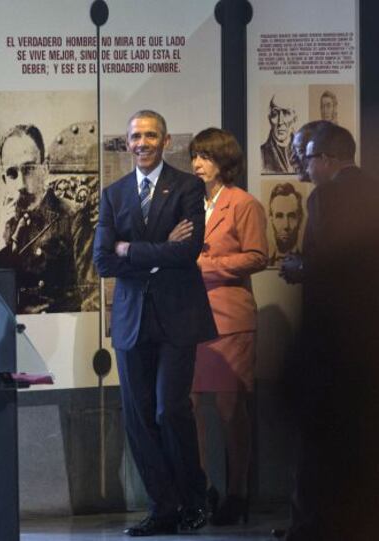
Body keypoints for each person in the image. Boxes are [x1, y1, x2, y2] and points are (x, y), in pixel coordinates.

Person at [93, 110, 217, 536]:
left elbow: (188, 252)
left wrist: (133, 250)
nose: (141, 143)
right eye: (134, 136)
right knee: (139, 417)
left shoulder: (187, 186)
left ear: (165, 141)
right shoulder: (113, 194)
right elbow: (103, 260)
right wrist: (156, 248)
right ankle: (162, 507)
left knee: (171, 409)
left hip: (178, 318)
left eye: (150, 135)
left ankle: (194, 499)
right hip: (131, 322)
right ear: (127, 143)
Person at [281, 123, 379, 541]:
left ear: (325, 158)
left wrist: (298, 267)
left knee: (320, 447)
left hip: (334, 347)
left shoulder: (328, 198)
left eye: (305, 157)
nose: (302, 167)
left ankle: (309, 529)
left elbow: (332, 267)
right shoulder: (374, 190)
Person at [180, 128, 268, 525]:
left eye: (206, 157)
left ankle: (238, 492)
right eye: (195, 156)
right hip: (191, 318)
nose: (197, 164)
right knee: (192, 406)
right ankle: (204, 490)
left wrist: (208, 266)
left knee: (232, 409)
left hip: (230, 318)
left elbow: (257, 256)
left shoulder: (244, 203)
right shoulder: (189, 203)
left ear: (224, 161)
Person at [0, 124, 86, 314]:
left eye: (29, 169)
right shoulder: (5, 231)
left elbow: (92, 298)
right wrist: (2, 243)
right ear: (4, 179)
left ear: (45, 168)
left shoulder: (73, 218)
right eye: (12, 173)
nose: (21, 184)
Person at [268, 182, 303, 267]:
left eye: (291, 216)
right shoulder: (265, 265)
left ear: (300, 219)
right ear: (271, 220)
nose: (286, 226)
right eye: (279, 216)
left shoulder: (309, 264)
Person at [261, 94, 297, 174]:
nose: (280, 122)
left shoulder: (303, 154)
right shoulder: (262, 154)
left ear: (294, 119)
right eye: (275, 114)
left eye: (286, 113)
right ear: (269, 119)